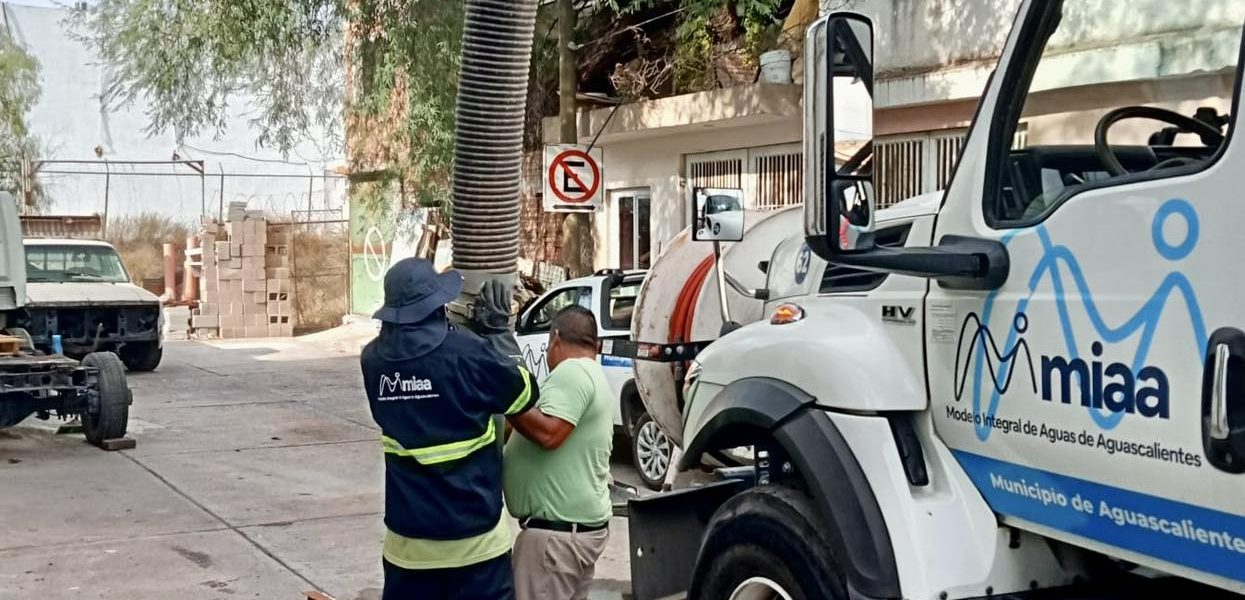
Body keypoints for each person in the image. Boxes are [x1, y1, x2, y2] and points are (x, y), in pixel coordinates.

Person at [360, 258, 538, 600]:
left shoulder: (373, 362)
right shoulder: (469, 354)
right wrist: (500, 338)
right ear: (437, 307)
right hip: (476, 546)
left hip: (408, 550)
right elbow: (525, 393)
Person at [503, 306, 615, 600]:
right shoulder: (593, 374)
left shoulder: (573, 371)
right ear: (596, 344)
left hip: (556, 540)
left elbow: (548, 434)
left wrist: (505, 394)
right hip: (571, 532)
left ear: (554, 339)